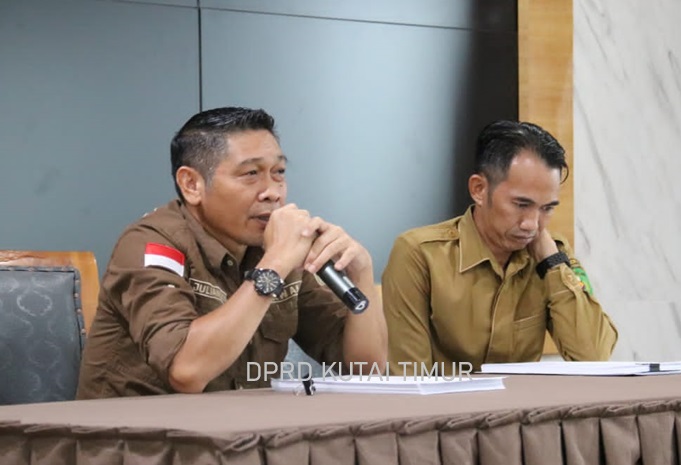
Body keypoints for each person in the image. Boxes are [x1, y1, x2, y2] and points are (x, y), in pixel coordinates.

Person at [77, 106, 387, 398]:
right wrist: (274, 266)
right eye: (251, 174)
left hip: (238, 431)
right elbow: (186, 371)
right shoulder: (149, 245)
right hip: (140, 433)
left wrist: (361, 273)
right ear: (192, 184)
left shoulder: (275, 251)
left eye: (279, 172)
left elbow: (365, 371)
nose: (273, 192)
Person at [382, 120, 617, 376]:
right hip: (448, 402)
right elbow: (411, 379)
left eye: (547, 208)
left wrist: (552, 264)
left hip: (523, 403)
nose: (532, 224)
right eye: (521, 204)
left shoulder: (552, 256)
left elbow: (594, 357)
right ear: (479, 189)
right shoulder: (419, 254)